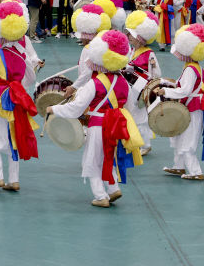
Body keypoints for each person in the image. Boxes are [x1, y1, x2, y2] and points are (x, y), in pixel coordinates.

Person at [47, 30, 139, 207]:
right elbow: (130, 106)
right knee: (107, 156)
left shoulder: (94, 83)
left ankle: (100, 196)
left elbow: (76, 108)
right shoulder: (123, 82)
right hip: (115, 125)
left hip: (98, 125)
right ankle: (113, 188)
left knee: (92, 160)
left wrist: (55, 109)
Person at [0, 0, 42, 191]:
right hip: (16, 98)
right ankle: (13, 180)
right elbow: (31, 76)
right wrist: (18, 86)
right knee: (13, 137)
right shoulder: (22, 53)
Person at [156, 24, 204, 181]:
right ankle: (178, 166)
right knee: (180, 137)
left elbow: (184, 91)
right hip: (192, 108)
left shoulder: (190, 69)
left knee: (188, 140)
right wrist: (168, 83)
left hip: (193, 109)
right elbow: (182, 85)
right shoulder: (193, 67)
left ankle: (195, 171)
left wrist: (165, 91)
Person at [123, 10, 161, 156]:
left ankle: (145, 144)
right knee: (132, 114)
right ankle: (136, 140)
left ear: (140, 38)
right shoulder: (131, 51)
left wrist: (146, 84)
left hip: (141, 89)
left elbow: (156, 73)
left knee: (141, 117)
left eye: (131, 35)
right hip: (131, 88)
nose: (128, 37)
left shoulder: (149, 53)